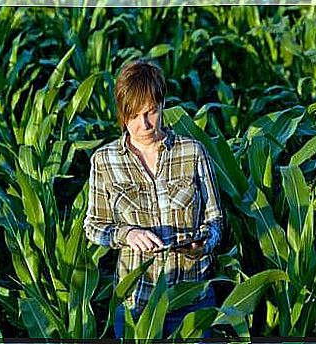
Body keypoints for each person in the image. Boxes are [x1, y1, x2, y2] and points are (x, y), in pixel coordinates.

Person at [84, 59, 223, 338]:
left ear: (162, 105)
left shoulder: (192, 152)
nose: (143, 124)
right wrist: (128, 233)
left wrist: (204, 243)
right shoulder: (105, 161)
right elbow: (93, 225)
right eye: (133, 116)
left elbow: (215, 218)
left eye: (150, 112)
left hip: (191, 299)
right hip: (137, 304)